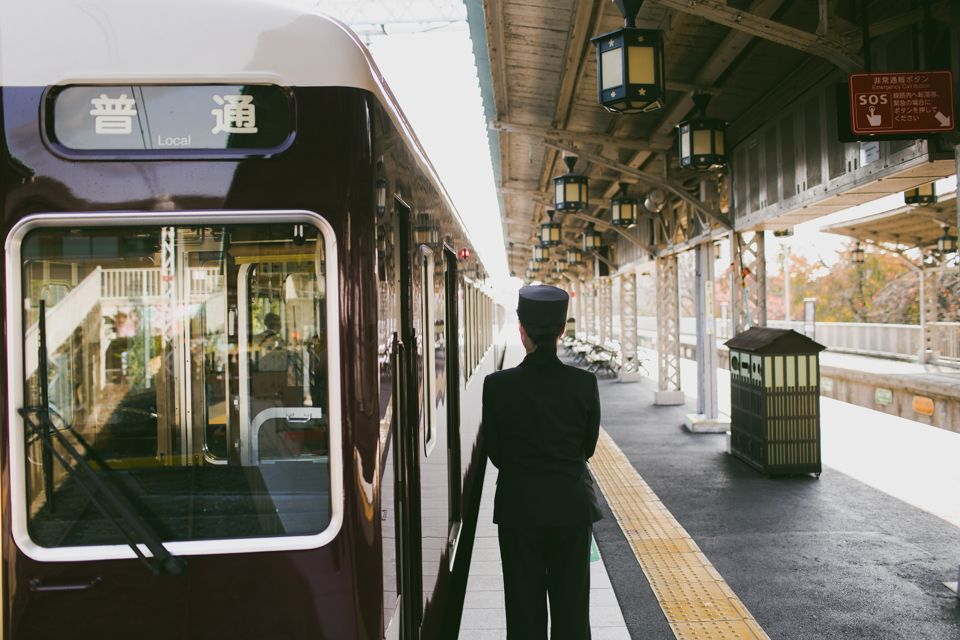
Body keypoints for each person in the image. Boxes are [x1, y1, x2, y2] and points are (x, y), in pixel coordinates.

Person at [481, 285, 602, 640]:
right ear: (562, 331)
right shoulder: (584, 383)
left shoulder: (498, 385)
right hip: (571, 509)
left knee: (523, 611)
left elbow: (496, 452)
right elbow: (589, 448)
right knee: (573, 611)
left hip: (519, 511)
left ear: (522, 330)